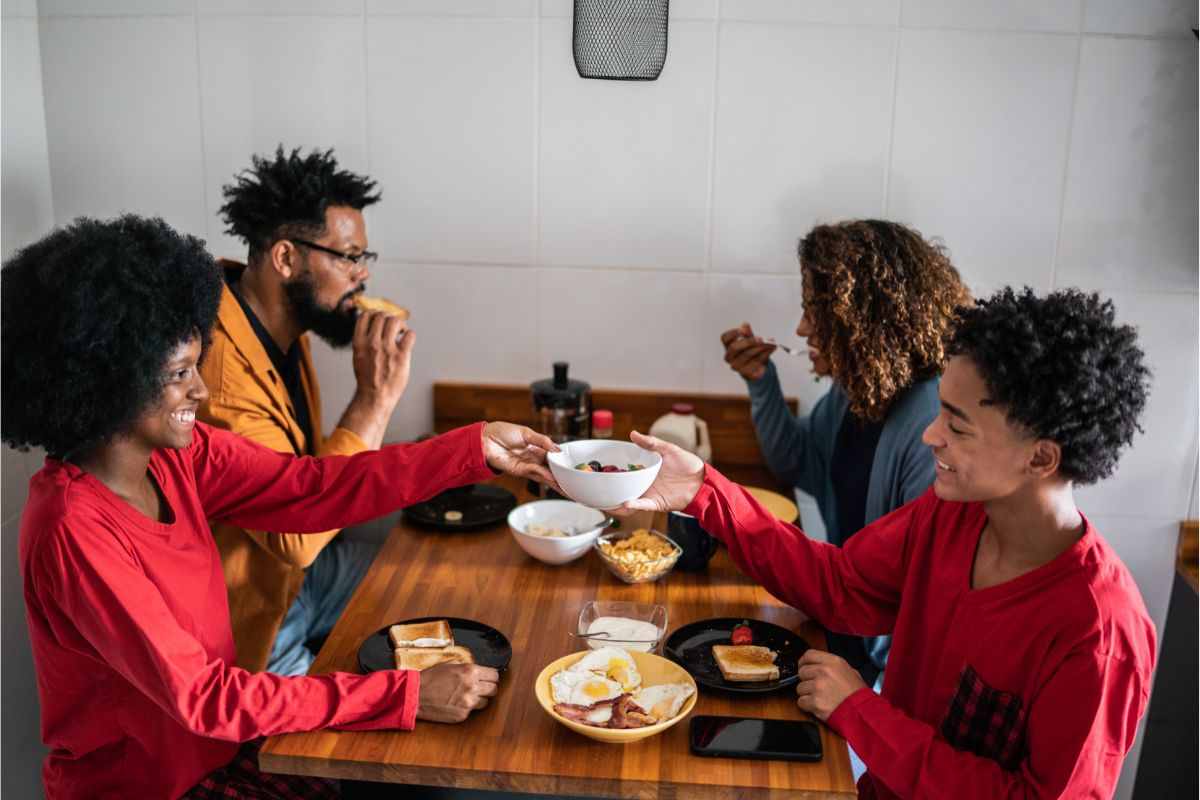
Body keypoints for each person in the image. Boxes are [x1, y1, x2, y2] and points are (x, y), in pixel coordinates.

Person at [2, 215, 558, 799]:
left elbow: (311, 489)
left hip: (223, 754)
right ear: (107, 380)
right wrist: (406, 692)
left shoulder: (178, 459)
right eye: (178, 374)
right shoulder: (73, 529)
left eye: (198, 365)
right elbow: (205, 697)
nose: (202, 390)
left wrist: (473, 449)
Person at [634, 287, 1156, 798]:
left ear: (1041, 459)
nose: (931, 435)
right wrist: (704, 489)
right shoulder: (950, 516)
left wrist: (860, 710)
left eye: (957, 424)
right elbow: (838, 586)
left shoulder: (1100, 633)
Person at [720, 219, 970, 688]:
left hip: (875, 674)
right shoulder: (855, 396)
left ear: (865, 322)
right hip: (838, 627)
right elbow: (798, 465)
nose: (801, 327)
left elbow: (918, 605)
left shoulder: (930, 429)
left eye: (817, 311)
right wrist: (761, 384)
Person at [203, 145, 410, 675]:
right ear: (286, 258)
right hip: (255, 617)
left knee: (414, 580)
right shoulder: (219, 380)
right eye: (347, 256)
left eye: (364, 257)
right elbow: (294, 537)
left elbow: (304, 476)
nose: (361, 275)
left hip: (305, 578)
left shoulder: (283, 326)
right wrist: (374, 400)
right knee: (324, 748)